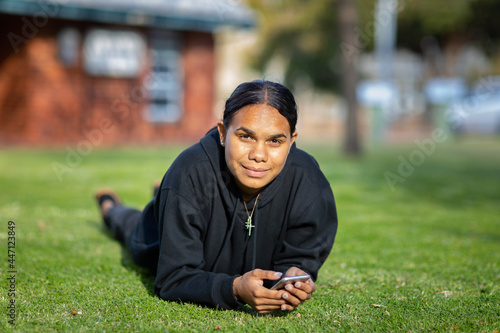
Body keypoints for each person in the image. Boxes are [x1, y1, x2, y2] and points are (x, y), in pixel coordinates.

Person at [95, 80, 338, 313]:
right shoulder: (190, 172)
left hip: (187, 199)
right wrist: (234, 289)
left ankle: (163, 193)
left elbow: (302, 257)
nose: (259, 155)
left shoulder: (309, 180)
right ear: (223, 133)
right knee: (135, 229)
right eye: (246, 136)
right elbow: (172, 279)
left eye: (275, 141)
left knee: (178, 197)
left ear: (291, 141)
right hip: (161, 228)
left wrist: (296, 276)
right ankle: (111, 207)